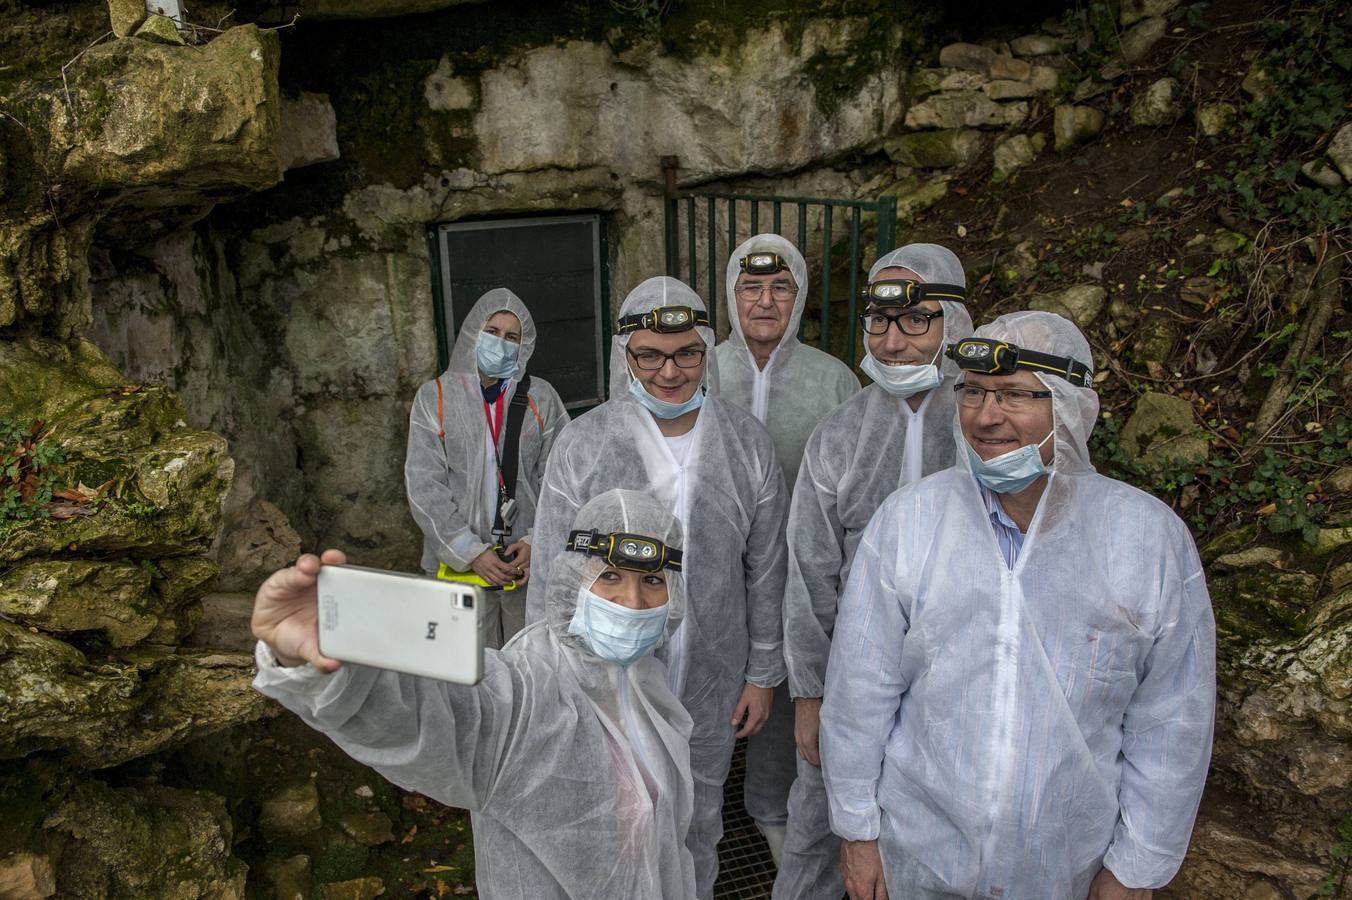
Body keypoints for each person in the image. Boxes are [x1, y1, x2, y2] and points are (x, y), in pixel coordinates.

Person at [819, 311, 1216, 900]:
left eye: (1014, 395)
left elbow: (1172, 721)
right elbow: (860, 692)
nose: (985, 415)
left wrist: (1137, 868)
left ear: (1071, 407)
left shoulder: (1143, 539)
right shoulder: (911, 521)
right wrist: (856, 833)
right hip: (919, 856)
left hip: (1065, 866)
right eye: (973, 391)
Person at [252, 489, 699, 899]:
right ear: (573, 578)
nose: (633, 602)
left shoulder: (646, 684)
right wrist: (326, 661)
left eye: (653, 581)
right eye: (610, 577)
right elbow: (431, 717)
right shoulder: (527, 688)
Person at [527, 276, 789, 900]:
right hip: (606, 670)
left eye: (687, 353)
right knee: (616, 813)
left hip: (714, 674)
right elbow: (549, 570)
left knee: (698, 816)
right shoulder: (583, 444)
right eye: (650, 354)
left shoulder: (746, 443)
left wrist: (761, 673)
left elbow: (768, 567)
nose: (670, 371)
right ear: (626, 356)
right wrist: (554, 678)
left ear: (705, 352)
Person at [775, 244, 974, 900]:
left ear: (956, 323)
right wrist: (810, 697)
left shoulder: (990, 428)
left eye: (916, 320)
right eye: (879, 323)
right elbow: (808, 573)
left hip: (961, 683)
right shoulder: (838, 436)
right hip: (852, 681)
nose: (892, 341)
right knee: (820, 838)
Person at [711, 234, 860, 865]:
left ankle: (771, 808)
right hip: (711, 567)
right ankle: (694, 806)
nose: (765, 301)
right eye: (750, 287)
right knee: (703, 677)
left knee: (786, 686)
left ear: (799, 299)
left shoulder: (833, 382)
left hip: (800, 569)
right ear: (730, 295)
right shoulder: (700, 367)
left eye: (780, 288)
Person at [404, 288, 568, 649]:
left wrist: (534, 541)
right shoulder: (435, 398)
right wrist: (470, 551)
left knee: (528, 664)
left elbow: (560, 480)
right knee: (466, 671)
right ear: (471, 332)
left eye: (513, 337)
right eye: (492, 332)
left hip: (522, 567)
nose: (501, 343)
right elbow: (424, 486)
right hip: (458, 568)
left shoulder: (541, 398)